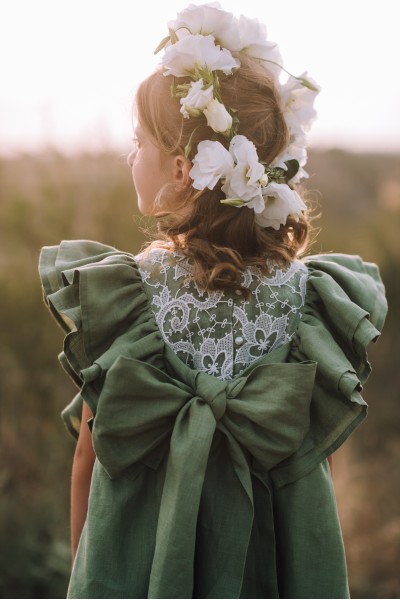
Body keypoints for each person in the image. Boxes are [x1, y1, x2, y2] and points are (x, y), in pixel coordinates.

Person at [39, 3, 387, 598]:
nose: (129, 156)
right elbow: (314, 457)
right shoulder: (309, 299)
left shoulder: (125, 294)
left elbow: (89, 457)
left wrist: (90, 570)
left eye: (137, 142)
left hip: (146, 563)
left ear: (180, 169)